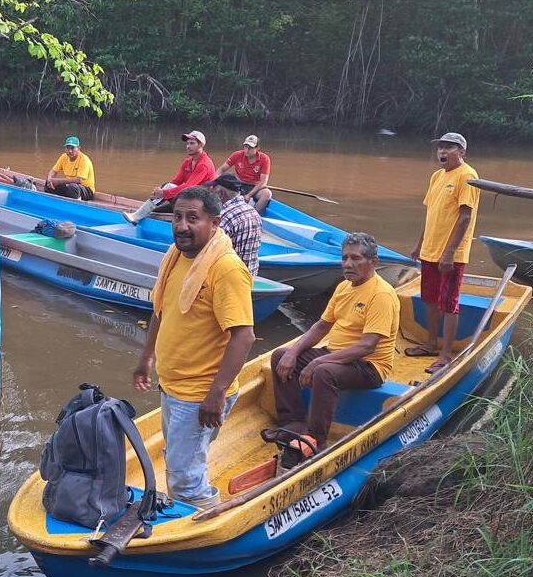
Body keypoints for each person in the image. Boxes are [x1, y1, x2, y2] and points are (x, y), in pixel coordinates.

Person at [133, 186, 255, 508]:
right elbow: (162, 311)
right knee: (179, 462)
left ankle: (203, 526)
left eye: (192, 218)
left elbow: (243, 336)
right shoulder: (176, 258)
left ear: (214, 223)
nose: (182, 226)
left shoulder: (225, 268)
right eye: (177, 217)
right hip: (172, 385)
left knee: (185, 480)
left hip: (201, 391)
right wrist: (146, 358)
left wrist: (216, 394)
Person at [270, 233, 399, 450]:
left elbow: (367, 345)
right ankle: (293, 422)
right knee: (280, 356)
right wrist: (293, 352)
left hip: (368, 366)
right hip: (337, 354)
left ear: (373, 262)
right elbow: (321, 326)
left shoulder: (381, 294)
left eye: (356, 258)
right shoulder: (343, 287)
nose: (348, 264)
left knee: (324, 372)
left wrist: (318, 362)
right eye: (345, 258)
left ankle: (315, 440)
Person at [408, 132, 480, 373]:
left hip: (451, 254)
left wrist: (449, 253)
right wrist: (419, 245)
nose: (442, 151)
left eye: (449, 147)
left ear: (461, 152)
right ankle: (430, 343)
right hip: (430, 250)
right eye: (440, 147)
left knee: (449, 303)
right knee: (428, 298)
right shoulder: (437, 176)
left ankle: (446, 354)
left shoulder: (467, 175)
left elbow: (465, 217)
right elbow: (431, 215)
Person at [124, 130, 216, 224]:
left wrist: (164, 193)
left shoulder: (204, 164)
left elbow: (189, 186)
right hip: (190, 197)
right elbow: (176, 181)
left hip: (202, 203)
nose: (188, 146)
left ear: (200, 145)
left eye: (192, 143)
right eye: (187, 143)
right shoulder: (188, 162)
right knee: (156, 209)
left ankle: (136, 216)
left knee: (167, 188)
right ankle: (141, 215)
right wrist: (159, 191)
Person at [206, 173, 262, 275]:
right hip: (251, 274)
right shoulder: (253, 212)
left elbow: (210, 252)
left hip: (230, 276)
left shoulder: (223, 217)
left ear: (221, 194)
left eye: (213, 191)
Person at [217, 135, 272, 214]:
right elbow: (221, 169)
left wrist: (249, 195)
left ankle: (254, 214)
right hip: (238, 183)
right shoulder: (237, 155)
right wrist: (216, 180)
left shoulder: (265, 159)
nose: (247, 150)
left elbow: (263, 181)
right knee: (221, 188)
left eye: (250, 148)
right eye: (245, 147)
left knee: (267, 194)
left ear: (257, 148)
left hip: (255, 186)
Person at [45, 136, 96, 200]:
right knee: (48, 183)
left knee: (73, 187)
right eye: (68, 148)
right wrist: (50, 180)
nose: (70, 151)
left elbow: (78, 180)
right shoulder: (64, 157)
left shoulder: (84, 160)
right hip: (69, 186)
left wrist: (58, 181)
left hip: (86, 190)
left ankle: (77, 203)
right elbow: (53, 171)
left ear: (78, 148)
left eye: (72, 148)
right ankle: (52, 201)